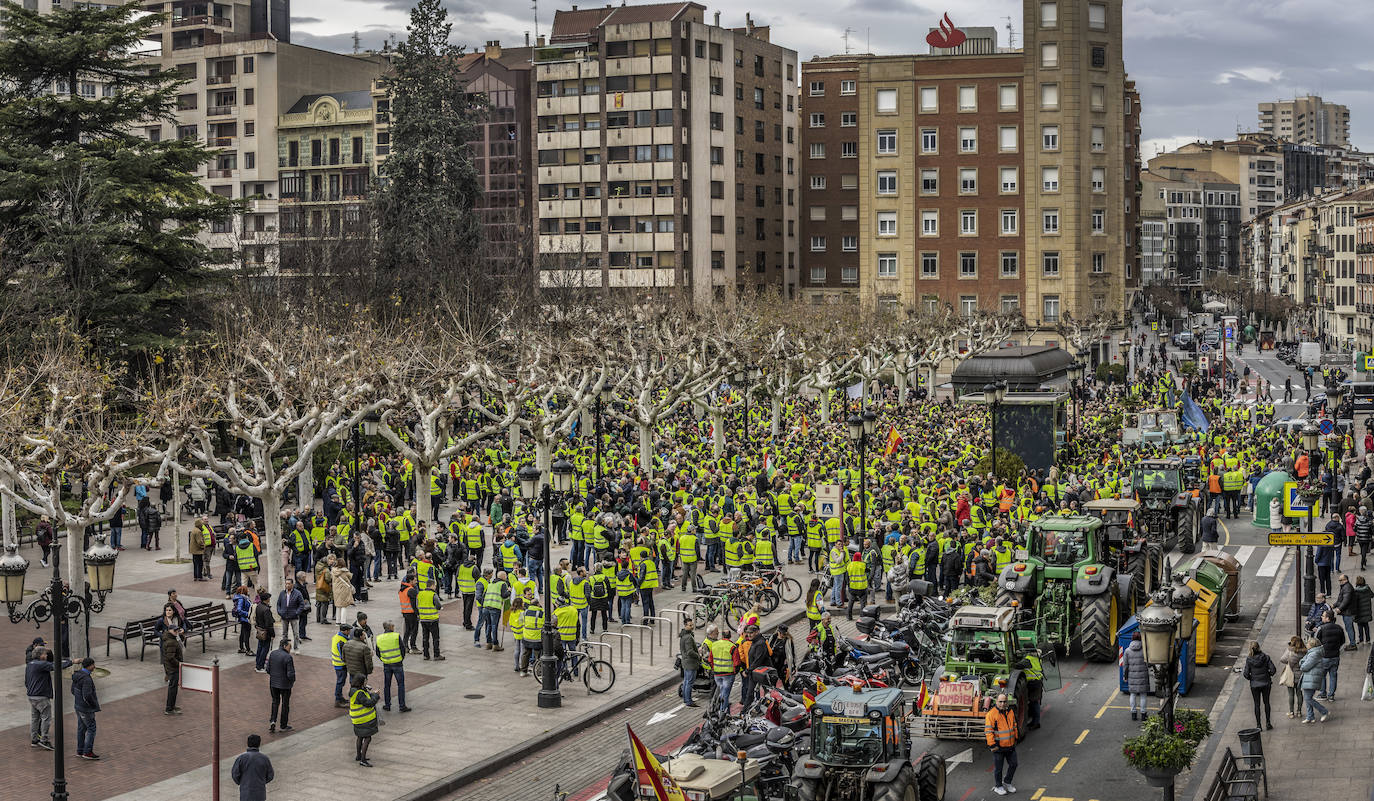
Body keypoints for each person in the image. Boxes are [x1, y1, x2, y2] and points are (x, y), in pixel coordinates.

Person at [984, 693, 1018, 795]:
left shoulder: (1010, 712)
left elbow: (1014, 725)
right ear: (996, 702)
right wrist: (992, 745)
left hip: (1010, 745)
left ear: (1007, 702)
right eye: (1000, 702)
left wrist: (1016, 737)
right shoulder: (991, 714)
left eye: (1004, 701)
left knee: (1014, 764)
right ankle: (998, 786)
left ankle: (1007, 782)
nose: (1002, 704)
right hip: (998, 747)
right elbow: (988, 731)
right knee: (998, 769)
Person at [375, 620, 410, 712]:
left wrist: (383, 659)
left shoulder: (379, 638)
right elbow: (402, 649)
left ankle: (387, 705)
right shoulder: (396, 636)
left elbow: (377, 652)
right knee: (400, 684)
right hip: (397, 663)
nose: (394, 628)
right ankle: (402, 706)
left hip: (386, 664)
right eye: (393, 626)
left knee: (387, 685)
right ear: (390, 627)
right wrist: (401, 658)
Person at [71, 656, 100, 759]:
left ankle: (80, 750)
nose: (94, 667)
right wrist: (93, 705)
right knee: (91, 728)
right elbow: (87, 695)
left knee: (81, 728)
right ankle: (87, 752)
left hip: (78, 706)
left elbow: (73, 691)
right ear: (89, 666)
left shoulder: (77, 675)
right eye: (93, 665)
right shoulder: (87, 679)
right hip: (86, 709)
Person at [231, 734, 275, 801]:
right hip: (260, 791)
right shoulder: (264, 758)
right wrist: (262, 781)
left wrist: (242, 782)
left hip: (245, 791)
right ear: (259, 744)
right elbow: (270, 775)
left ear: (248, 743)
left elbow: (235, 774)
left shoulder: (241, 758)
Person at [1243, 640, 1275, 730]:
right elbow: (1273, 670)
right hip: (1266, 683)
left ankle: (1258, 725)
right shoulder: (1266, 657)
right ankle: (1268, 723)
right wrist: (1268, 675)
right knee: (1267, 703)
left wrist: (1252, 678)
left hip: (1254, 684)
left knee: (1257, 704)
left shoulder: (1249, 659)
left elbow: (1245, 674)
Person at [26, 646, 54, 750]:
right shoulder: (42, 664)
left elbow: (26, 681)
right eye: (45, 654)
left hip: (32, 695)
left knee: (35, 718)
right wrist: (72, 662)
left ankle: (34, 740)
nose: (46, 655)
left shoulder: (30, 665)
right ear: (40, 655)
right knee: (46, 718)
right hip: (41, 696)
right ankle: (44, 740)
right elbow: (56, 665)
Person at [349, 675, 380, 767]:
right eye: (365, 681)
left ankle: (359, 756)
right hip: (364, 719)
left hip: (357, 719)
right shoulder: (359, 693)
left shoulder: (353, 691)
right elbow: (369, 703)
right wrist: (376, 695)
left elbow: (364, 698)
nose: (366, 682)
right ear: (361, 682)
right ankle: (363, 760)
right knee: (367, 738)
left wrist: (370, 693)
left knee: (360, 737)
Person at [267, 638, 295, 733]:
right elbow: (290, 674)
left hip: (273, 683)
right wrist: (292, 681)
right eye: (289, 647)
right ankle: (283, 725)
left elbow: (268, 669)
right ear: (284, 646)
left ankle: (273, 720)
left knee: (275, 702)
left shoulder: (272, 654)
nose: (290, 649)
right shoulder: (288, 657)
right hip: (285, 685)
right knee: (285, 704)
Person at [1316, 609, 1346, 700]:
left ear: (1328, 618)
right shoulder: (1339, 628)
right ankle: (1331, 695)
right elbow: (1343, 641)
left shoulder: (1321, 628)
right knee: (1333, 675)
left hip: (1324, 656)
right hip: (1335, 656)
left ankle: (1323, 693)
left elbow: (1316, 641)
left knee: (1322, 675)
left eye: (1323, 616)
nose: (1322, 617)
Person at [1299, 638, 1329, 723]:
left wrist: (1302, 663)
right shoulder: (1313, 653)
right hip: (1310, 678)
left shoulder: (1313, 654)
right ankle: (1310, 716)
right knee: (1307, 698)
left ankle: (1324, 711)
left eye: (1307, 643)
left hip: (1311, 678)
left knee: (1308, 698)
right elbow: (1303, 661)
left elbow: (1304, 666)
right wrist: (1302, 662)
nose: (1306, 645)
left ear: (1312, 645)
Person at [1122, 631, 1150, 720]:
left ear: (1132, 639)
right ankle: (1143, 714)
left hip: (1132, 676)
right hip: (1143, 676)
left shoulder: (1127, 651)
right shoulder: (1145, 650)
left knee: (1133, 695)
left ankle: (1133, 714)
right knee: (1143, 695)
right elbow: (1148, 664)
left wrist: (1125, 676)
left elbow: (1125, 666)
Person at [1278, 636, 1306, 720]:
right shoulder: (1305, 652)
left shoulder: (1291, 652)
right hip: (1300, 675)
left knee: (1291, 694)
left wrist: (1288, 649)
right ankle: (1299, 711)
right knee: (1299, 693)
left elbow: (1282, 659)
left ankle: (1291, 712)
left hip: (1291, 675)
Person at [678, 618, 700, 707]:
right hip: (690, 663)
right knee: (689, 682)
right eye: (690, 625)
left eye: (692, 625)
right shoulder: (688, 637)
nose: (692, 626)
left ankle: (686, 699)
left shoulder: (684, 635)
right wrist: (698, 655)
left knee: (687, 681)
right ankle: (688, 700)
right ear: (685, 626)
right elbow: (690, 651)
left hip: (686, 662)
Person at [162, 626, 184, 715]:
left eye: (177, 630)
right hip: (173, 668)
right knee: (173, 688)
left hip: (171, 668)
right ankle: (169, 708)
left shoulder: (172, 638)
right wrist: (179, 664)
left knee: (173, 688)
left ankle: (171, 706)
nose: (176, 631)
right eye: (174, 630)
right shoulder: (171, 642)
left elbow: (180, 642)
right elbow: (170, 657)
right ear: (169, 630)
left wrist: (181, 634)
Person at [253, 590, 275, 673]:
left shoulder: (259, 606)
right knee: (264, 649)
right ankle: (260, 666)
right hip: (266, 633)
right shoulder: (266, 610)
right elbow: (269, 624)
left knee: (260, 648)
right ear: (266, 599)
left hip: (260, 631)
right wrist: (272, 634)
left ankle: (258, 664)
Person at [331, 622, 352, 708]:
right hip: (340, 665)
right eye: (349, 630)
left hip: (338, 664)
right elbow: (343, 655)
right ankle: (338, 700)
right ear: (345, 631)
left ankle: (340, 697)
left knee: (341, 681)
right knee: (340, 682)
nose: (350, 632)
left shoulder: (337, 636)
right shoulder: (341, 641)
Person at [232, 585, 254, 655]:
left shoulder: (243, 597)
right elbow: (239, 610)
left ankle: (241, 648)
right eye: (247, 590)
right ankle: (248, 650)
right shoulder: (242, 599)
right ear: (244, 591)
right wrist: (248, 614)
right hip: (245, 619)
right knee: (247, 634)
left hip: (244, 618)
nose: (248, 590)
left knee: (242, 633)